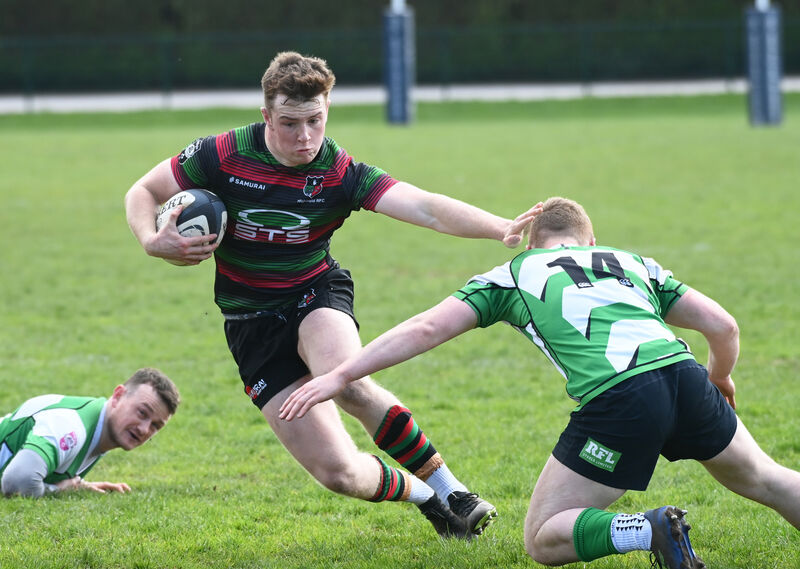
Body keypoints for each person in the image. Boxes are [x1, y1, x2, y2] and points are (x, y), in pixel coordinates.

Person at [125, 51, 538, 538]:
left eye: (315, 121)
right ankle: (426, 497)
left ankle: (452, 490)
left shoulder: (339, 173)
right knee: (338, 473)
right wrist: (152, 241)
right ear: (266, 117)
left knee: (346, 380)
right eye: (290, 123)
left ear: (327, 113)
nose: (304, 137)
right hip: (249, 323)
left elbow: (424, 207)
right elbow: (143, 191)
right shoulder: (221, 155)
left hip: (313, 293)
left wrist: (501, 228)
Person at [280, 196, 800, 568]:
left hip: (621, 398)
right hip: (687, 377)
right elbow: (724, 326)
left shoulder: (513, 274)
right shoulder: (632, 263)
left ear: (530, 243)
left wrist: (343, 374)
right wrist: (721, 378)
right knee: (769, 480)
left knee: (543, 537)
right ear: (589, 240)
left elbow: (425, 329)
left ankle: (649, 528)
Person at [1, 367, 179, 498]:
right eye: (142, 413)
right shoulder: (71, 426)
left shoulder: (98, 429)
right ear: (118, 396)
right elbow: (17, 481)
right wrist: (58, 490)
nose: (144, 429)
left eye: (156, 425)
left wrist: (78, 485)